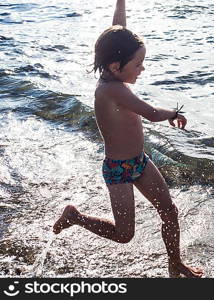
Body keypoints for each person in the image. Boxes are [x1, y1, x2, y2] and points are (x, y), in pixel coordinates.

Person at [53, 0, 203, 278]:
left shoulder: (114, 73)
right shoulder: (112, 91)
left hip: (140, 162)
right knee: (124, 235)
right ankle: (75, 217)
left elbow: (118, 29)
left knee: (169, 212)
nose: (142, 69)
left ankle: (175, 264)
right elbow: (151, 113)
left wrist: (121, 2)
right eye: (138, 63)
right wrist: (174, 112)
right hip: (119, 171)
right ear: (115, 65)